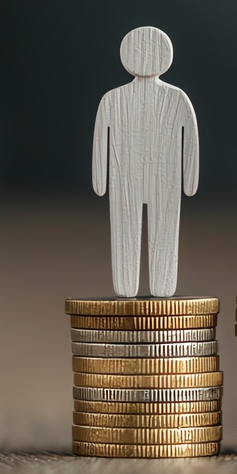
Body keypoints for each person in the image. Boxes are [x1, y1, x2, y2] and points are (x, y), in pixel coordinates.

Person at [93, 26, 199, 298]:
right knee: (135, 230)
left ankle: (151, 284)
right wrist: (99, 179)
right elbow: (100, 143)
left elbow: (190, 145)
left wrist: (189, 179)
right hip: (137, 177)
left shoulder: (172, 99)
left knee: (151, 231)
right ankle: (138, 284)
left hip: (151, 179)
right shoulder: (115, 100)